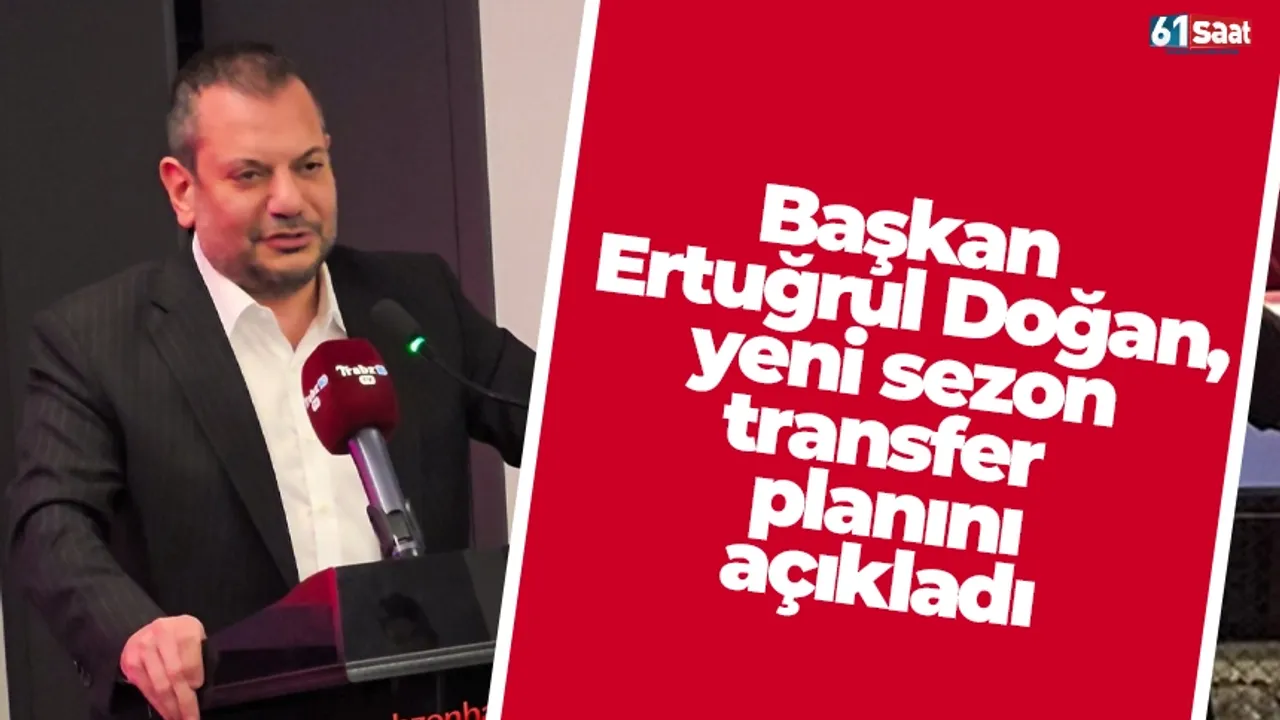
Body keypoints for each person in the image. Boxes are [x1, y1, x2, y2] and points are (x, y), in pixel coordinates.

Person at [5, 42, 533, 720]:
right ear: (182, 189)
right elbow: (50, 522)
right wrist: (136, 632)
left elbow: (564, 422)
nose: (290, 200)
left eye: (309, 166)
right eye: (251, 175)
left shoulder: (415, 301)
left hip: (429, 702)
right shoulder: (95, 339)